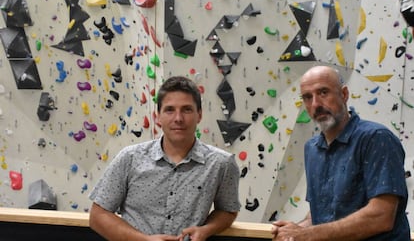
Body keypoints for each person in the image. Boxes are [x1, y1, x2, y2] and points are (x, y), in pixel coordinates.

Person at [89, 76, 241, 241]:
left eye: (187, 109)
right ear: (158, 117)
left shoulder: (221, 164)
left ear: (199, 115)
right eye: (169, 110)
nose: (178, 118)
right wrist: (144, 240)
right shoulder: (130, 158)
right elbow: (98, 216)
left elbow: (228, 210)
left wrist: (205, 230)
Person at [271, 66, 410, 241]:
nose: (315, 104)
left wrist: (306, 235)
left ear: (344, 95)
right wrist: (292, 231)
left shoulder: (376, 138)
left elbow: (381, 216)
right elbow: (321, 214)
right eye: (307, 97)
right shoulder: (312, 148)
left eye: (323, 92)